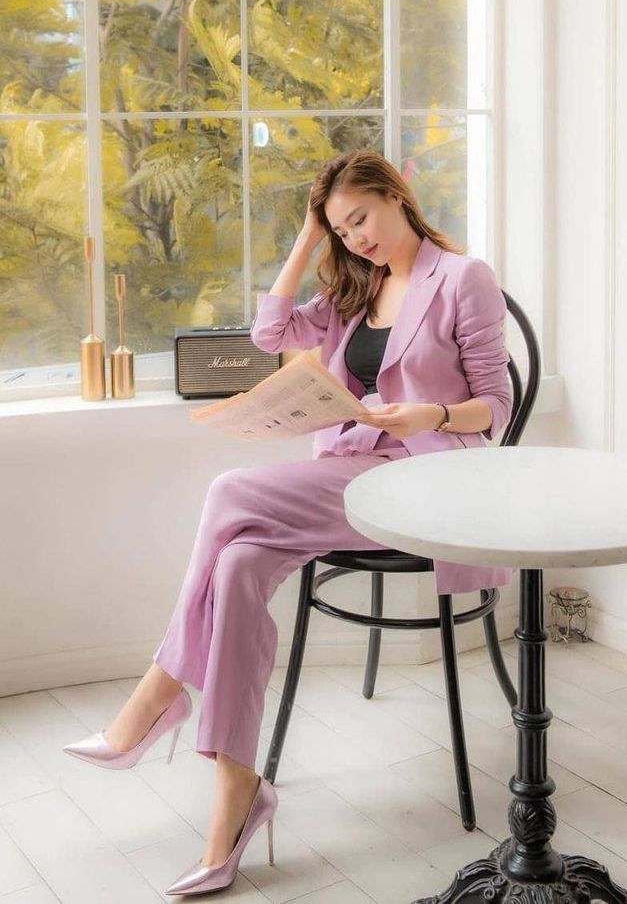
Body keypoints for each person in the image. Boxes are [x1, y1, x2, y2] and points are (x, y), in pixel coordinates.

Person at [61, 149, 514, 897]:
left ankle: (158, 692)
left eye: (361, 217)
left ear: (396, 195)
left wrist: (428, 412)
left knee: (229, 490)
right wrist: (309, 238)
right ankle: (238, 797)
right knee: (238, 564)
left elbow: (495, 406)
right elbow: (270, 335)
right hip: (349, 474)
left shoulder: (463, 278)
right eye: (342, 229)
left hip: (428, 482)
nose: (357, 237)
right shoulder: (356, 286)